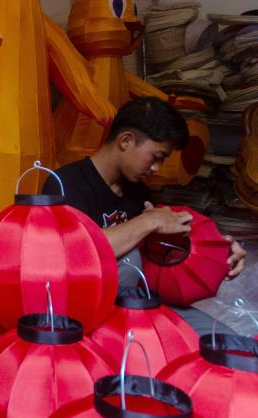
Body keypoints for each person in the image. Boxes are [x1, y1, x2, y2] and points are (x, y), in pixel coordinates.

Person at [43, 97, 246, 334]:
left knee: (227, 341)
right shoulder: (65, 183)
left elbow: (163, 247)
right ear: (126, 140)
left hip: (140, 303)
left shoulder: (136, 191)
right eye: (156, 157)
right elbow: (74, 252)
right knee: (130, 259)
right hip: (84, 315)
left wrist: (220, 250)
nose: (157, 168)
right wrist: (148, 221)